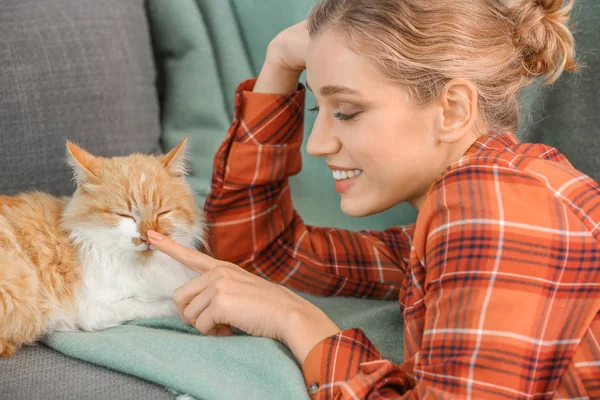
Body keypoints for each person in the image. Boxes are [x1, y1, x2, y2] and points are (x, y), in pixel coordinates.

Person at [148, 0, 600, 398]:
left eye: (347, 112)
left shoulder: (498, 207)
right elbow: (261, 253)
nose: (318, 144)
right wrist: (280, 63)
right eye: (317, 111)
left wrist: (296, 319)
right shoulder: (478, 204)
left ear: (453, 110)